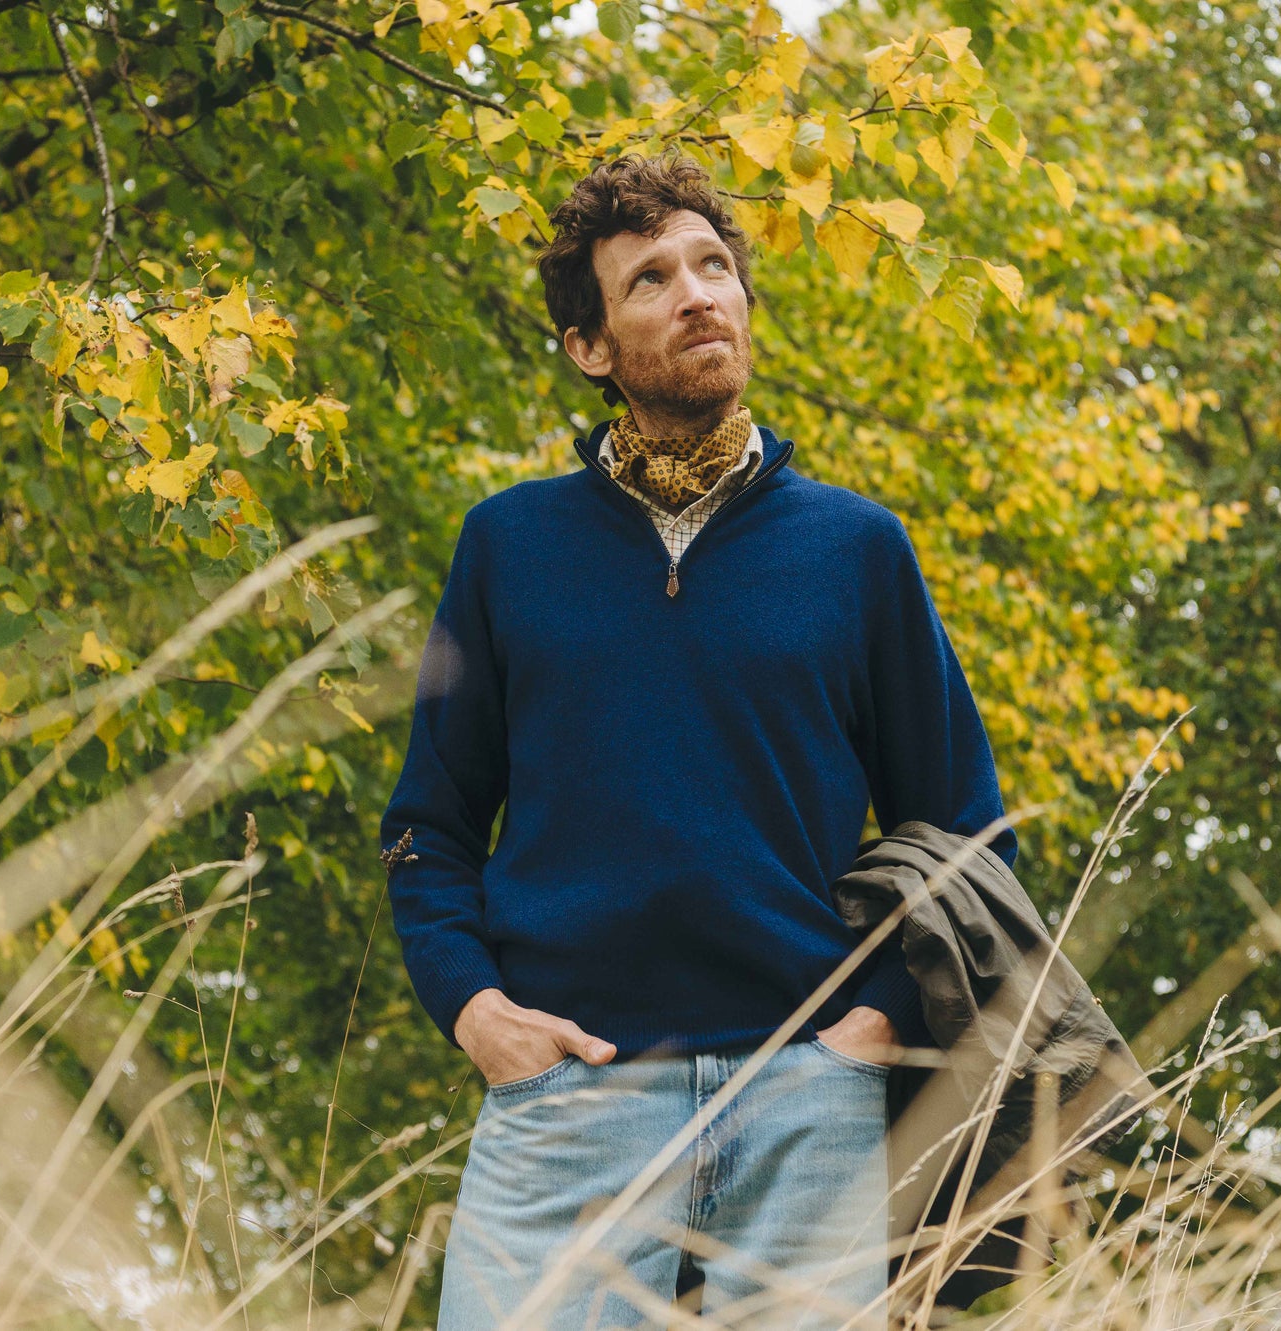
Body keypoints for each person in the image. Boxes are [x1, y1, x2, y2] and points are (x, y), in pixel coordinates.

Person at [379, 152, 1016, 1330]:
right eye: (651, 279)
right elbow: (427, 830)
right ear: (588, 346)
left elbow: (967, 830)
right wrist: (477, 1012)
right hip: (567, 1096)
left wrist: (866, 1028)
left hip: (806, 1095)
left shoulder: (855, 548)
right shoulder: (507, 548)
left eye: (715, 267)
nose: (697, 295)